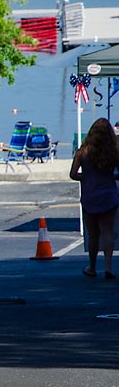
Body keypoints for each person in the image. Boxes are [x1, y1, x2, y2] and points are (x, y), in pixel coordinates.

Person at [69, 117, 119, 278]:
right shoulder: (114, 152)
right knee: (107, 232)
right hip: (109, 195)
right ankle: (108, 267)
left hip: (90, 195)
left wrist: (86, 177)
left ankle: (91, 266)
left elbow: (73, 174)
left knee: (93, 233)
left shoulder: (82, 152)